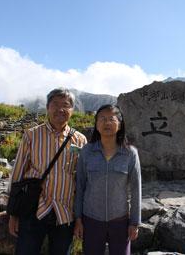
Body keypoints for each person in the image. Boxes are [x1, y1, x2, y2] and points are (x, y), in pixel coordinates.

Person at [8, 88, 87, 255]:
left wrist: (80, 217)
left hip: (65, 212)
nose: (60, 109)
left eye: (66, 105)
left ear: (72, 110)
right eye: (55, 104)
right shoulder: (31, 135)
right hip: (34, 208)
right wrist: (13, 214)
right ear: (47, 107)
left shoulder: (80, 140)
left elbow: (82, 180)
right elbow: (17, 174)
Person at [74, 104, 141, 255]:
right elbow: (80, 187)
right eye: (102, 119)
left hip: (120, 220)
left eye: (112, 118)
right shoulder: (87, 152)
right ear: (96, 124)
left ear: (120, 123)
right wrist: (78, 218)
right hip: (91, 219)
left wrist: (134, 222)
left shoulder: (130, 153)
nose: (107, 123)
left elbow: (136, 190)